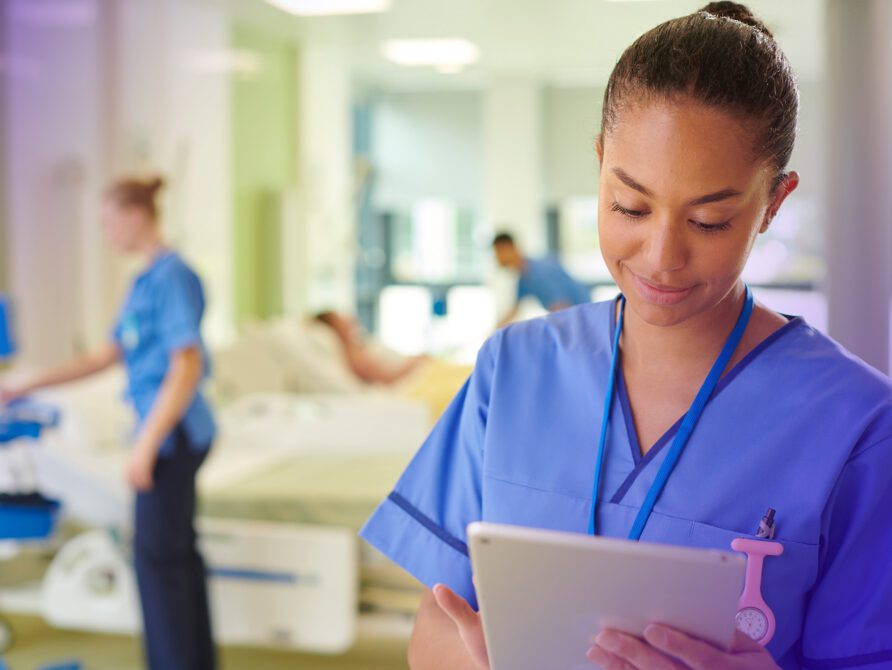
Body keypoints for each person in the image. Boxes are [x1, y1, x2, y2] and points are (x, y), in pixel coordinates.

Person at [358, 4, 892, 669]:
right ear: (600, 163)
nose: (662, 257)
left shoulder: (858, 425)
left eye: (710, 220)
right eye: (630, 207)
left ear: (774, 202)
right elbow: (437, 630)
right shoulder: (512, 371)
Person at [0, 177, 216, 670]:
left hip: (172, 435)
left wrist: (145, 447)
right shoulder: (144, 281)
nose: (105, 233)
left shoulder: (172, 277)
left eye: (106, 221)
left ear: (135, 215)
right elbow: (106, 355)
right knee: (175, 558)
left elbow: (186, 367)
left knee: (158, 562)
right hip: (169, 433)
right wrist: (26, 386)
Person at [492, 231, 591, 327]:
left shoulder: (541, 271)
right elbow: (514, 310)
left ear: (507, 248)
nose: (496, 258)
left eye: (497, 252)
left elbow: (561, 309)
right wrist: (495, 331)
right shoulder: (524, 279)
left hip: (583, 319)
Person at [314, 311, 427, 385]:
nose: (348, 321)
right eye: (339, 319)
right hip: (413, 376)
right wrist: (416, 362)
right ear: (334, 327)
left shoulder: (357, 345)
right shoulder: (351, 353)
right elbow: (383, 376)